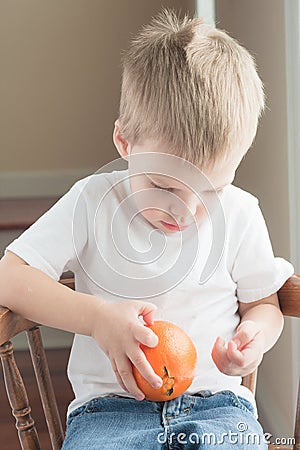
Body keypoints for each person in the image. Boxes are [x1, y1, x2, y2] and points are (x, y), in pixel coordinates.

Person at [0, 10, 294, 450]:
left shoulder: (241, 213)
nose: (188, 209)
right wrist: (97, 318)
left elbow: (264, 304)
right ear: (125, 143)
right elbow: (9, 275)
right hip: (108, 413)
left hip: (220, 407)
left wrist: (255, 337)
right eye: (164, 185)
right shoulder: (93, 201)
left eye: (212, 190)